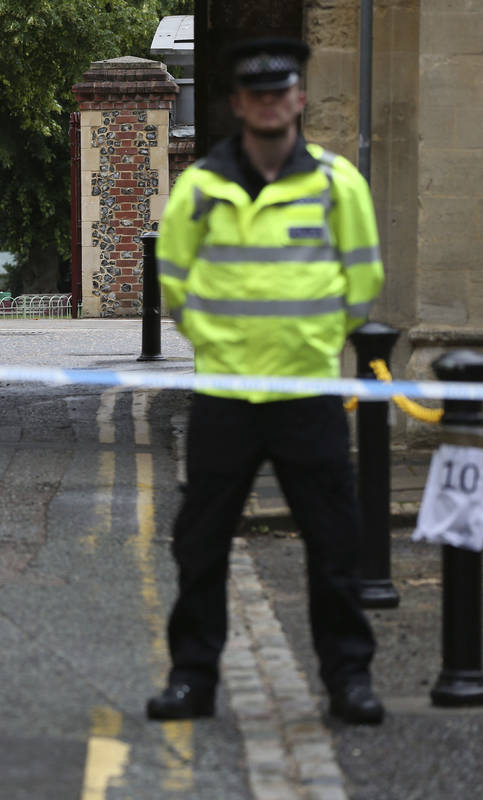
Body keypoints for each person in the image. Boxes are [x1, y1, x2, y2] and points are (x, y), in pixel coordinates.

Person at [147, 37, 386, 725]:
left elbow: (362, 282)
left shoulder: (338, 185)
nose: (269, 104)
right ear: (238, 105)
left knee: (336, 544)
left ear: (299, 100)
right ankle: (192, 679)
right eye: (256, 94)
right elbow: (177, 288)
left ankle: (349, 681)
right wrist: (218, 345)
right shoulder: (200, 188)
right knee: (200, 545)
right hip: (225, 395)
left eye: (280, 93)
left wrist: (312, 342)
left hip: (306, 392)